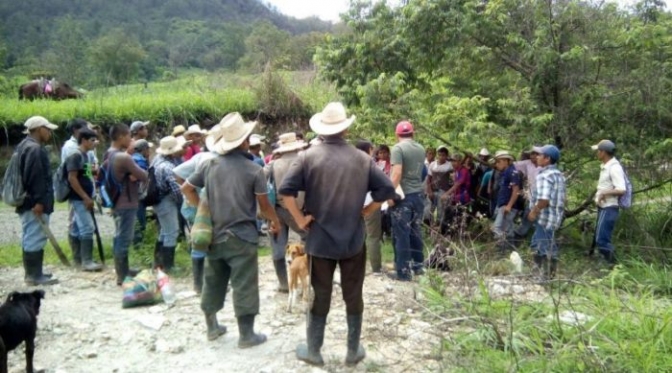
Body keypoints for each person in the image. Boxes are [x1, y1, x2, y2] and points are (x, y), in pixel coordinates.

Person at [279, 102, 395, 367]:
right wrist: (369, 208)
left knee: (320, 295)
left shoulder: (307, 157)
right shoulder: (362, 158)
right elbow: (387, 189)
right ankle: (353, 351)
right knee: (353, 294)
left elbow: (285, 191)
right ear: (345, 129)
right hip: (353, 240)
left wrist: (300, 220)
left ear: (322, 130)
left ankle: (314, 351)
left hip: (319, 241)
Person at [182, 112, 280, 348]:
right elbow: (264, 206)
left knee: (213, 279)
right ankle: (246, 335)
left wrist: (203, 209)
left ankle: (212, 327)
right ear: (245, 141)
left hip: (214, 235)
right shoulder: (254, 170)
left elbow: (186, 189)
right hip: (242, 237)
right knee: (244, 283)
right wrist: (275, 221)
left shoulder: (209, 164)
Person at [16, 116, 60, 286]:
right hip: (34, 203)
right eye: (47, 129)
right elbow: (36, 178)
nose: (49, 132)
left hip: (27, 201)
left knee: (30, 235)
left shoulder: (23, 146)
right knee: (35, 236)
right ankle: (34, 276)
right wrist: (39, 202)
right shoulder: (35, 149)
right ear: (39, 129)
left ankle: (34, 273)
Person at [103, 124, 149, 285]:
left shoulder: (108, 154)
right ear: (121, 136)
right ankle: (122, 276)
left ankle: (123, 270)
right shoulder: (124, 157)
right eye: (129, 136)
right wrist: (134, 170)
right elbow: (143, 175)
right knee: (124, 238)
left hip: (116, 201)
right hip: (127, 202)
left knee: (119, 236)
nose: (131, 140)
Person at [266, 132, 309, 291]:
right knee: (309, 239)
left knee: (278, 248)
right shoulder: (304, 162)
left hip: (277, 211)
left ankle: (284, 284)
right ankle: (308, 272)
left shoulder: (272, 165)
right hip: (300, 211)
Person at [173, 148, 217, 293]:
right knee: (206, 240)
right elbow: (184, 186)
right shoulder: (214, 159)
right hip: (201, 204)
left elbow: (178, 174)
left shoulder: (201, 157)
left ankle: (199, 284)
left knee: (199, 240)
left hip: (194, 204)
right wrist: (200, 208)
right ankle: (205, 283)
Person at [389, 120, 426, 281]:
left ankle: (403, 272)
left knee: (401, 234)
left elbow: (396, 173)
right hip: (418, 195)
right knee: (415, 231)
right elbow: (422, 171)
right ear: (413, 133)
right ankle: (418, 266)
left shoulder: (397, 149)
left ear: (397, 135)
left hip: (403, 197)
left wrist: (389, 194)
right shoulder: (420, 148)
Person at [65, 128, 103, 272]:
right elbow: (72, 178)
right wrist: (85, 197)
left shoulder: (86, 155)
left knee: (77, 228)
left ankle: (78, 259)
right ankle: (87, 261)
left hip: (85, 196)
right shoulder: (76, 155)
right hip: (79, 198)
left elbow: (85, 174)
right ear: (84, 141)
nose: (95, 143)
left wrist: (93, 172)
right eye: (92, 140)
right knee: (87, 227)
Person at [527, 145, 566, 281]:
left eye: (540, 155)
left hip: (545, 217)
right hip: (555, 217)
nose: (536, 157)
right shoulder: (558, 175)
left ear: (547, 159)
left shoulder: (544, 176)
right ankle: (537, 273)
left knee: (545, 246)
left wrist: (534, 211)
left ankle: (546, 278)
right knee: (538, 244)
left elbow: (544, 200)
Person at [151, 136, 188, 272]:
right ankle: (168, 266)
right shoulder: (168, 167)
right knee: (172, 232)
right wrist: (182, 202)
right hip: (166, 201)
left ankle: (158, 263)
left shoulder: (156, 160)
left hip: (158, 200)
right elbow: (176, 190)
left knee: (164, 232)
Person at [591, 139, 626, 266]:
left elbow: (621, 189)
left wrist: (604, 193)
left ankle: (612, 264)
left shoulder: (614, 168)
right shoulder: (606, 166)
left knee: (602, 239)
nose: (597, 153)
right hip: (604, 207)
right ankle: (606, 262)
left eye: (598, 151)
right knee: (600, 236)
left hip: (609, 207)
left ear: (603, 152)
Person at [356, 140, 384, 273]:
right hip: (370, 202)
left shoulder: (349, 163)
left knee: (357, 235)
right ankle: (376, 267)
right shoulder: (371, 163)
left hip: (354, 203)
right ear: (368, 150)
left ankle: (357, 265)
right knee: (373, 236)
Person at [492, 151, 523, 253]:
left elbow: (516, 190)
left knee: (497, 228)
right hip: (503, 204)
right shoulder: (505, 173)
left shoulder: (512, 172)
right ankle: (511, 251)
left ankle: (501, 251)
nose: (496, 164)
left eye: (498, 161)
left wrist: (509, 206)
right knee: (508, 228)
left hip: (509, 205)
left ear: (506, 161)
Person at [514, 146, 543, 241]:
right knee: (527, 217)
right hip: (531, 197)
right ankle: (520, 236)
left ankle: (531, 238)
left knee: (538, 220)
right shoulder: (528, 164)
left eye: (536, 154)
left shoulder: (544, 167)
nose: (533, 156)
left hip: (542, 198)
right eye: (532, 154)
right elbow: (515, 165)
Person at [440, 153, 471, 237]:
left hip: (463, 198)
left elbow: (457, 184)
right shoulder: (457, 170)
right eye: (452, 161)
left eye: (455, 161)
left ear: (460, 162)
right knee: (450, 214)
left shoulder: (464, 171)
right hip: (456, 197)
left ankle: (451, 235)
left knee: (455, 216)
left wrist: (446, 194)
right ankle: (447, 234)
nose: (453, 163)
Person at [131, 139, 153, 246]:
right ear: (144, 149)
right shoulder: (140, 161)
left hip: (131, 195)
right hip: (138, 195)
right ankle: (138, 246)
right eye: (148, 149)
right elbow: (137, 177)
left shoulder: (132, 158)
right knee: (140, 222)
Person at [425, 146, 453, 228]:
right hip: (433, 190)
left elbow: (453, 178)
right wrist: (429, 191)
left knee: (441, 211)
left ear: (446, 156)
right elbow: (428, 179)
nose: (441, 157)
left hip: (443, 191)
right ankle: (429, 227)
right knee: (429, 209)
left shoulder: (449, 165)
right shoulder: (432, 164)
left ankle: (439, 228)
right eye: (440, 155)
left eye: (443, 155)